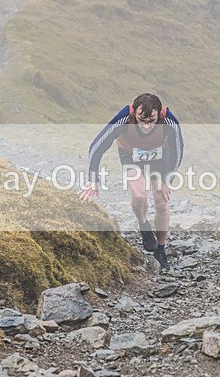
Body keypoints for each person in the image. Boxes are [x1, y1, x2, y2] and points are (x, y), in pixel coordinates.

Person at [79, 93, 184, 269]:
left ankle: (160, 248)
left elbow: (177, 150)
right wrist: (93, 180)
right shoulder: (124, 118)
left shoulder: (169, 121)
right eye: (141, 120)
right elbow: (97, 146)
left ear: (158, 114)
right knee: (140, 196)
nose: (146, 126)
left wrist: (167, 179)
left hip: (160, 157)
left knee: (161, 202)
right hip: (131, 155)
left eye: (151, 121)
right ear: (134, 112)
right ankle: (143, 224)